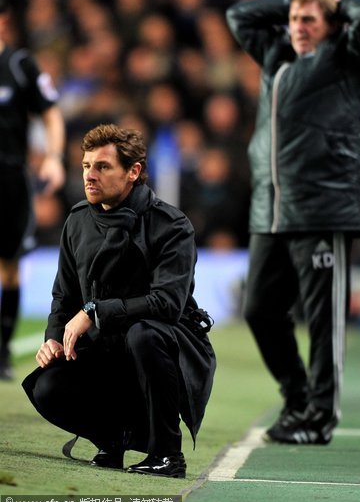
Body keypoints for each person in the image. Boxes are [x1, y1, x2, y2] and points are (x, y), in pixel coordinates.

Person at [226, 0, 360, 445]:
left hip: (323, 208)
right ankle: (297, 398)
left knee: (322, 322)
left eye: (309, 20)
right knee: (258, 310)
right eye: (294, 18)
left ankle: (319, 417)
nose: (298, 27)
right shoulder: (276, 54)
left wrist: (337, 5)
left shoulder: (350, 58)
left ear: (332, 26)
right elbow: (240, 14)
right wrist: (294, 0)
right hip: (270, 210)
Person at [22, 123, 216, 478]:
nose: (89, 176)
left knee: (143, 334)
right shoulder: (78, 219)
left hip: (167, 345)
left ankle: (167, 454)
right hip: (107, 347)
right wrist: (52, 338)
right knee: (46, 385)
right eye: (85, 166)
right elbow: (63, 293)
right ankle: (112, 440)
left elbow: (168, 304)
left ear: (133, 172)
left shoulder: (171, 225)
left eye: (102, 167)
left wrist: (95, 311)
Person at [0, 0, 65, 380]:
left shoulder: (19, 66)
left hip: (9, 179)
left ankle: (3, 351)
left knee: (10, 265)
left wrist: (54, 156)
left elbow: (51, 112)